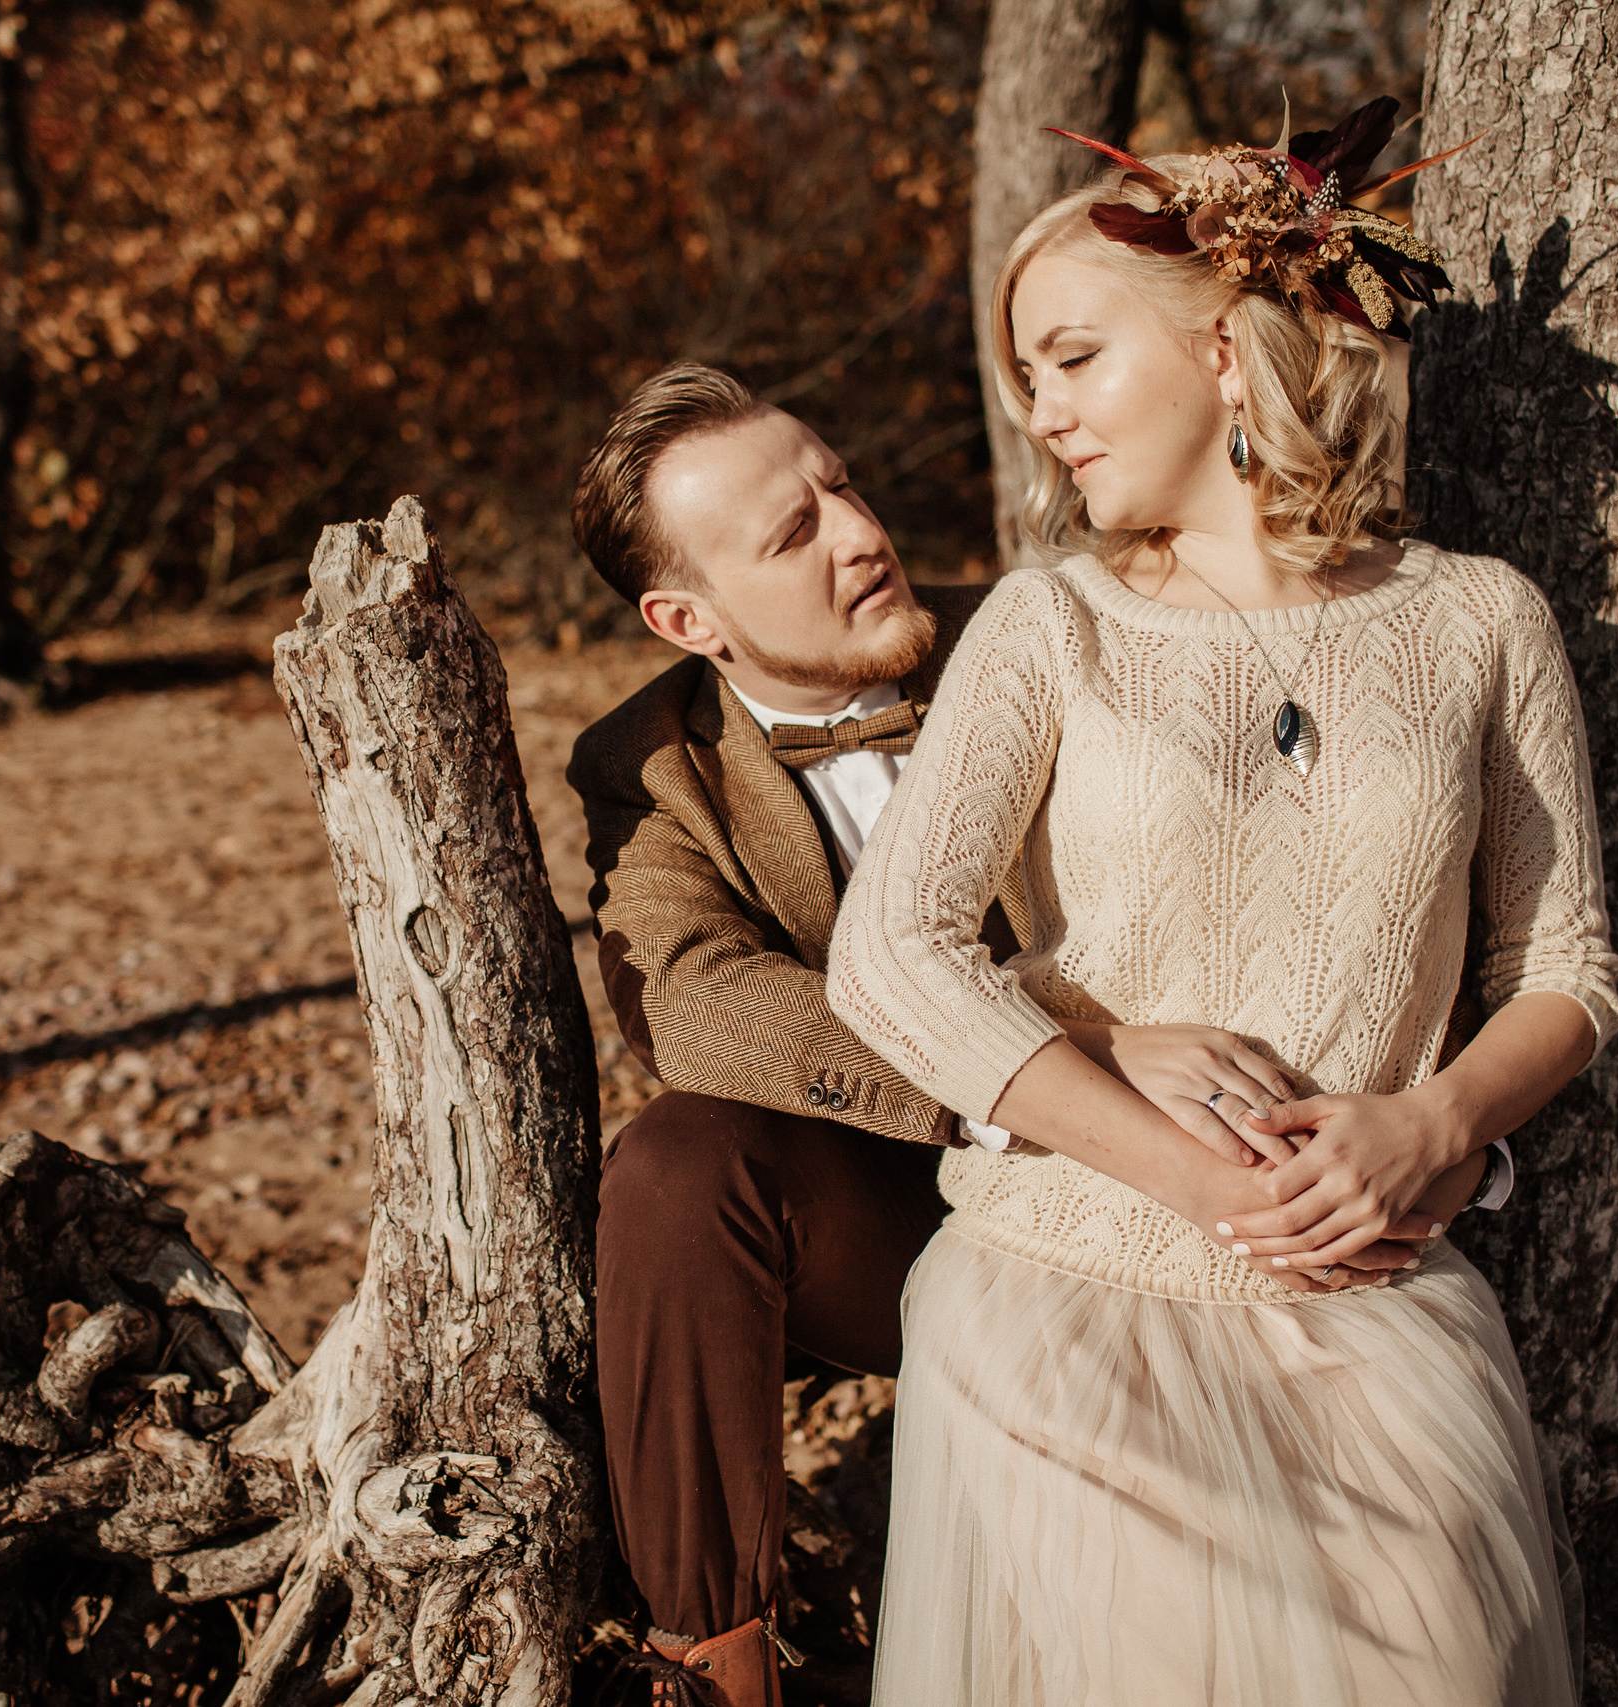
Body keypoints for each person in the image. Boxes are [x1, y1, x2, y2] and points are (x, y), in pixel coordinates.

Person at [825, 102, 1618, 1704]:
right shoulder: (1047, 628)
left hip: (1375, 1301)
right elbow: (891, 957)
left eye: (1070, 358)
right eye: (1025, 378)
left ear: (1222, 351)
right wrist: (1190, 1174)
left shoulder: (1479, 622)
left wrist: (1440, 1123)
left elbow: (1571, 964)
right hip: (1076, 1302)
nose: (1042, 411)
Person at [563, 361, 1512, 1705]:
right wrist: (1056, 1055)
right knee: (678, 1163)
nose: (859, 533)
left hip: (1192, 1165)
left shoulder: (1062, 627)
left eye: (839, 484)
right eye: (793, 534)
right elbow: (698, 1002)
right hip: (900, 1190)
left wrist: (1447, 1131)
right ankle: (710, 1668)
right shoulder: (653, 762)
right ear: (684, 615)